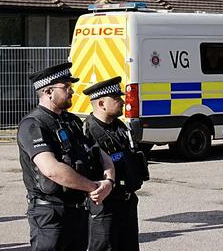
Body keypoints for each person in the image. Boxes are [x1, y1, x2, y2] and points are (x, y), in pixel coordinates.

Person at [17, 62, 115, 251]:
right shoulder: (33, 124)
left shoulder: (72, 121)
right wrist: (93, 187)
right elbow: (51, 170)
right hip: (51, 216)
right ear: (48, 92)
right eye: (66, 87)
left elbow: (100, 154)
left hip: (78, 211)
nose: (72, 91)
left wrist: (108, 181)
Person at [83, 77, 150, 251]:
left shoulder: (121, 128)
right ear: (101, 104)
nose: (122, 101)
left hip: (127, 203)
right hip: (105, 207)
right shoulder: (88, 133)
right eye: (116, 98)